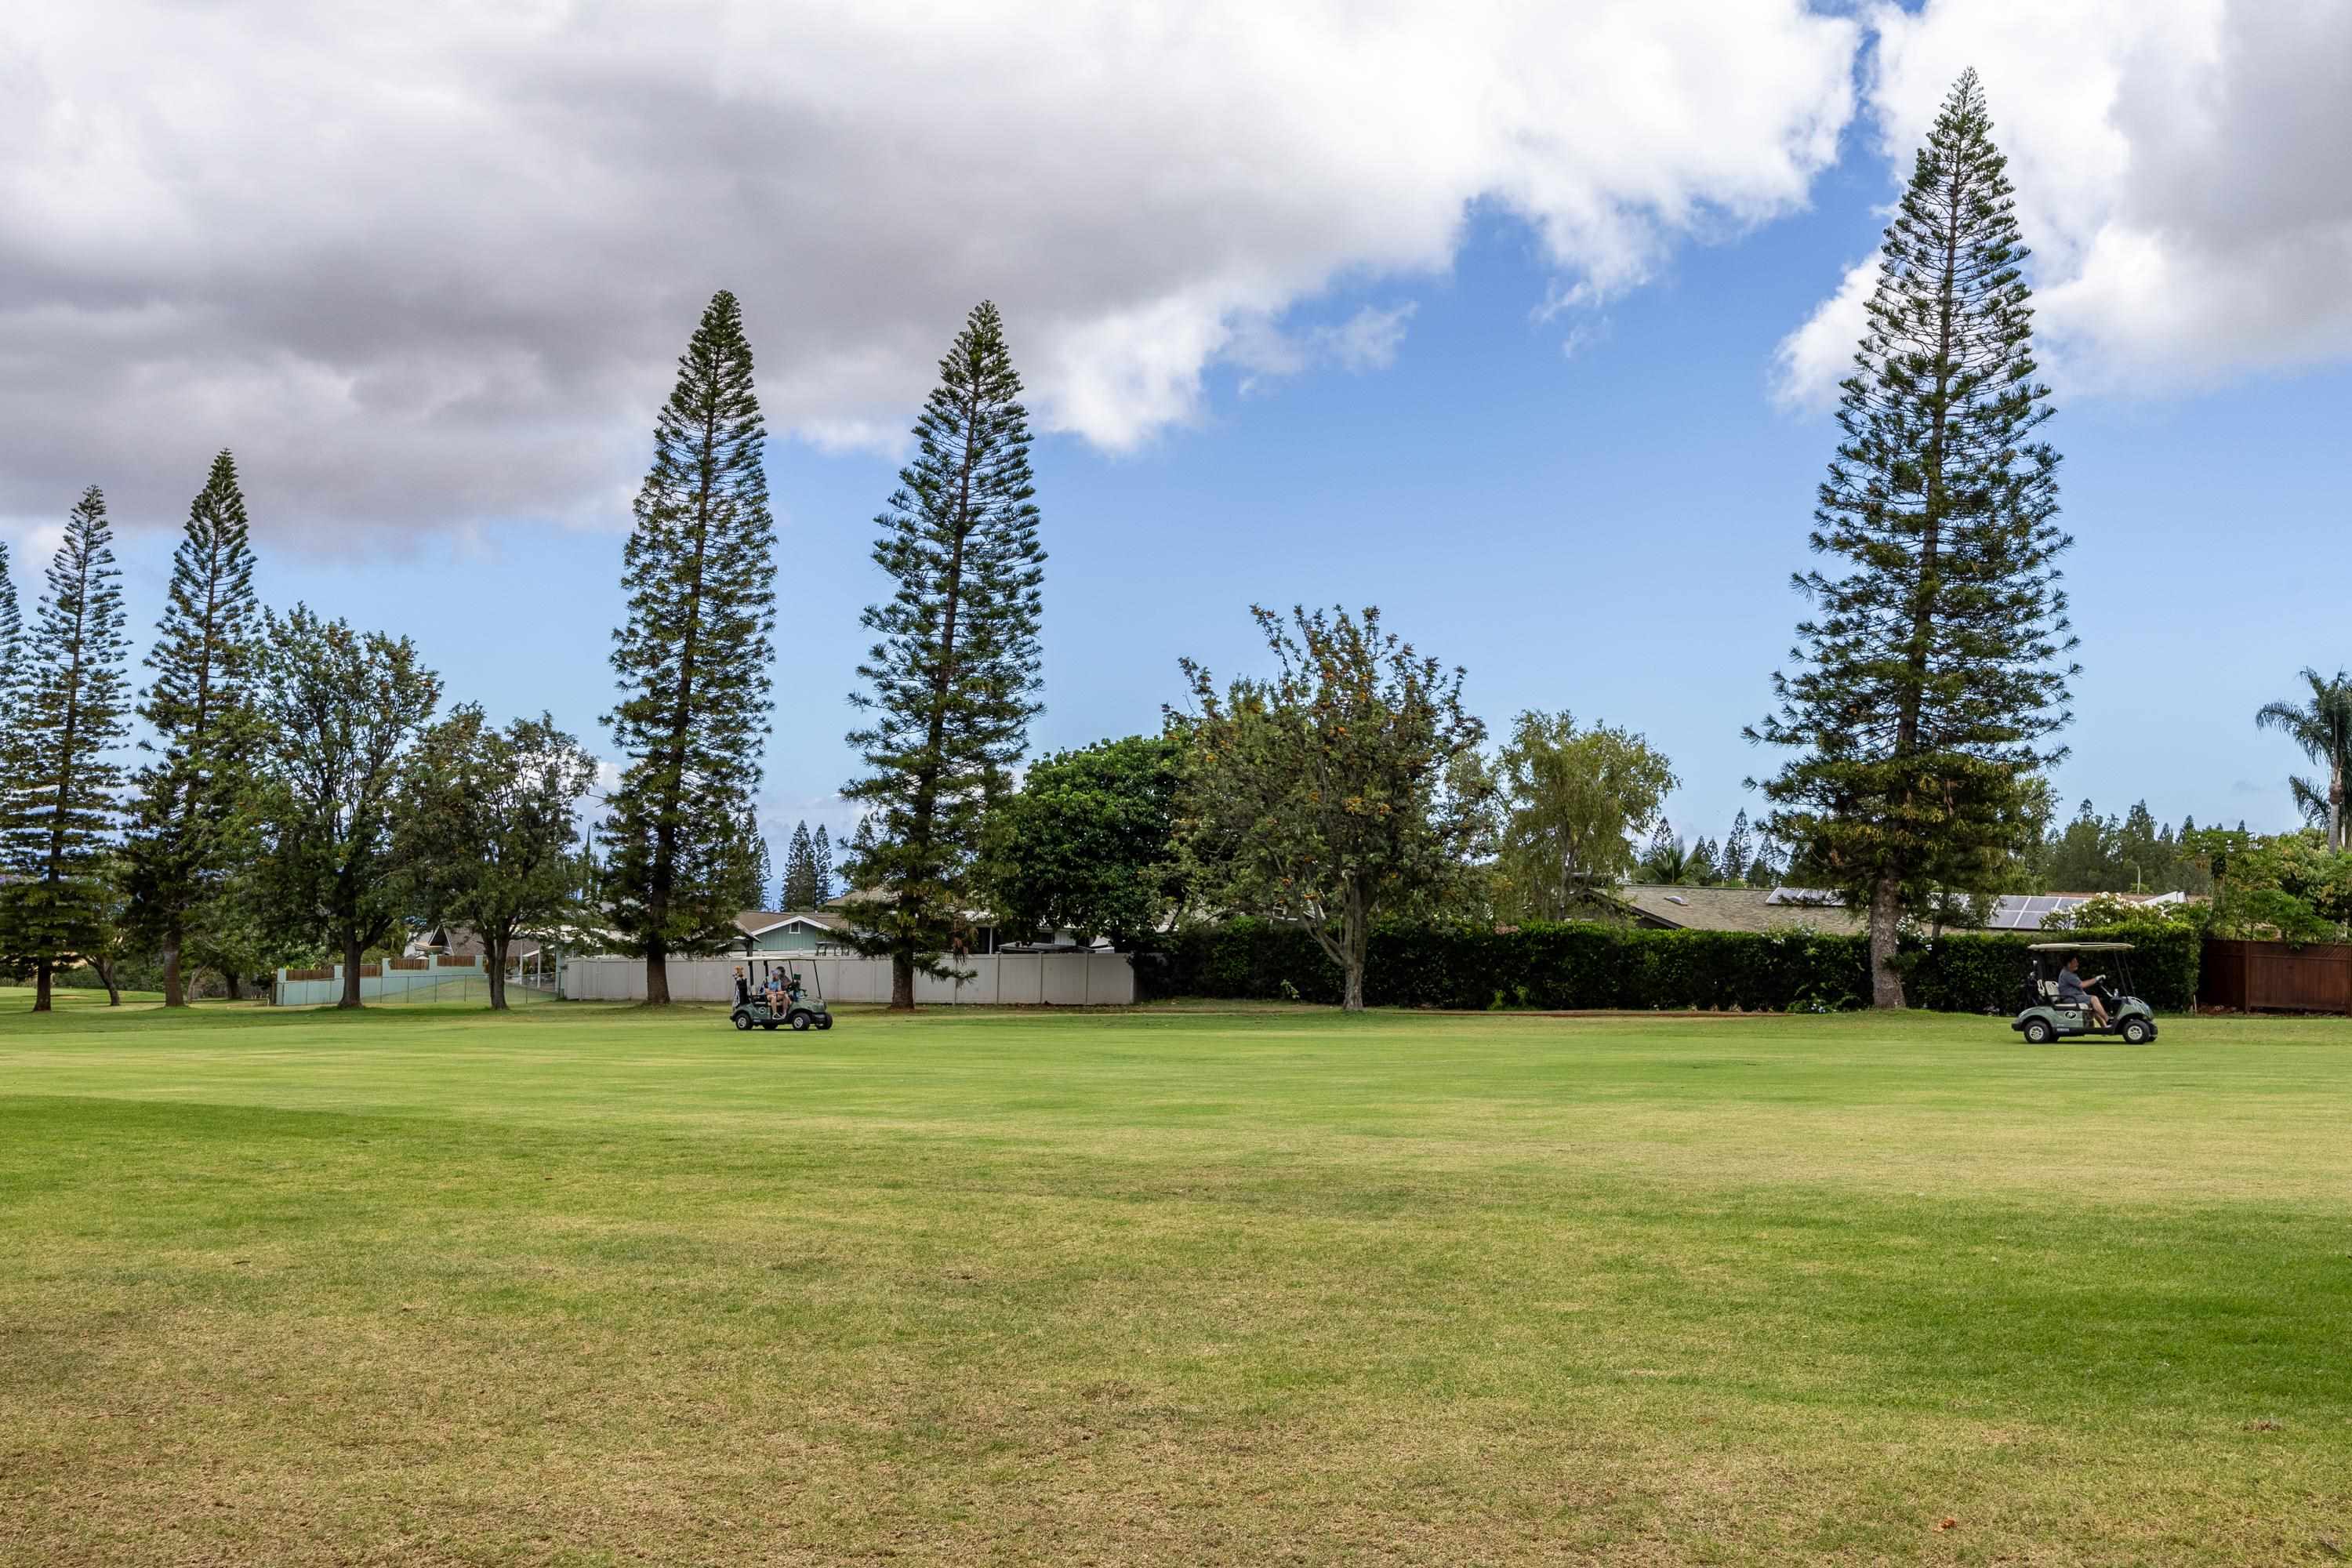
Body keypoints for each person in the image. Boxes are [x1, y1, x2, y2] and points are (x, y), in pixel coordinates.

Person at [2056, 954, 2109, 1029]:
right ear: (2069, 964)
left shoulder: (2069, 973)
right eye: (2075, 962)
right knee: (2094, 999)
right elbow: (2082, 985)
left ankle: (2104, 1027)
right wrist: (2096, 979)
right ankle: (2108, 1020)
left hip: (2074, 997)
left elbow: (2079, 989)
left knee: (2093, 1005)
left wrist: (2086, 996)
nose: (2077, 964)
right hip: (2070, 999)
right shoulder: (2067, 974)